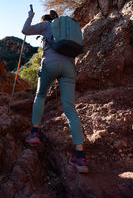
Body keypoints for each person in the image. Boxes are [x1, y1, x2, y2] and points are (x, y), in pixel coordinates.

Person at [21, 9, 88, 173]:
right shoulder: (67, 29)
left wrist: (30, 16)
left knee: (41, 95)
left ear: (46, 19)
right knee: (70, 109)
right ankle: (80, 156)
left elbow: (25, 30)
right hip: (69, 69)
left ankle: (34, 133)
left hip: (50, 64)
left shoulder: (45, 25)